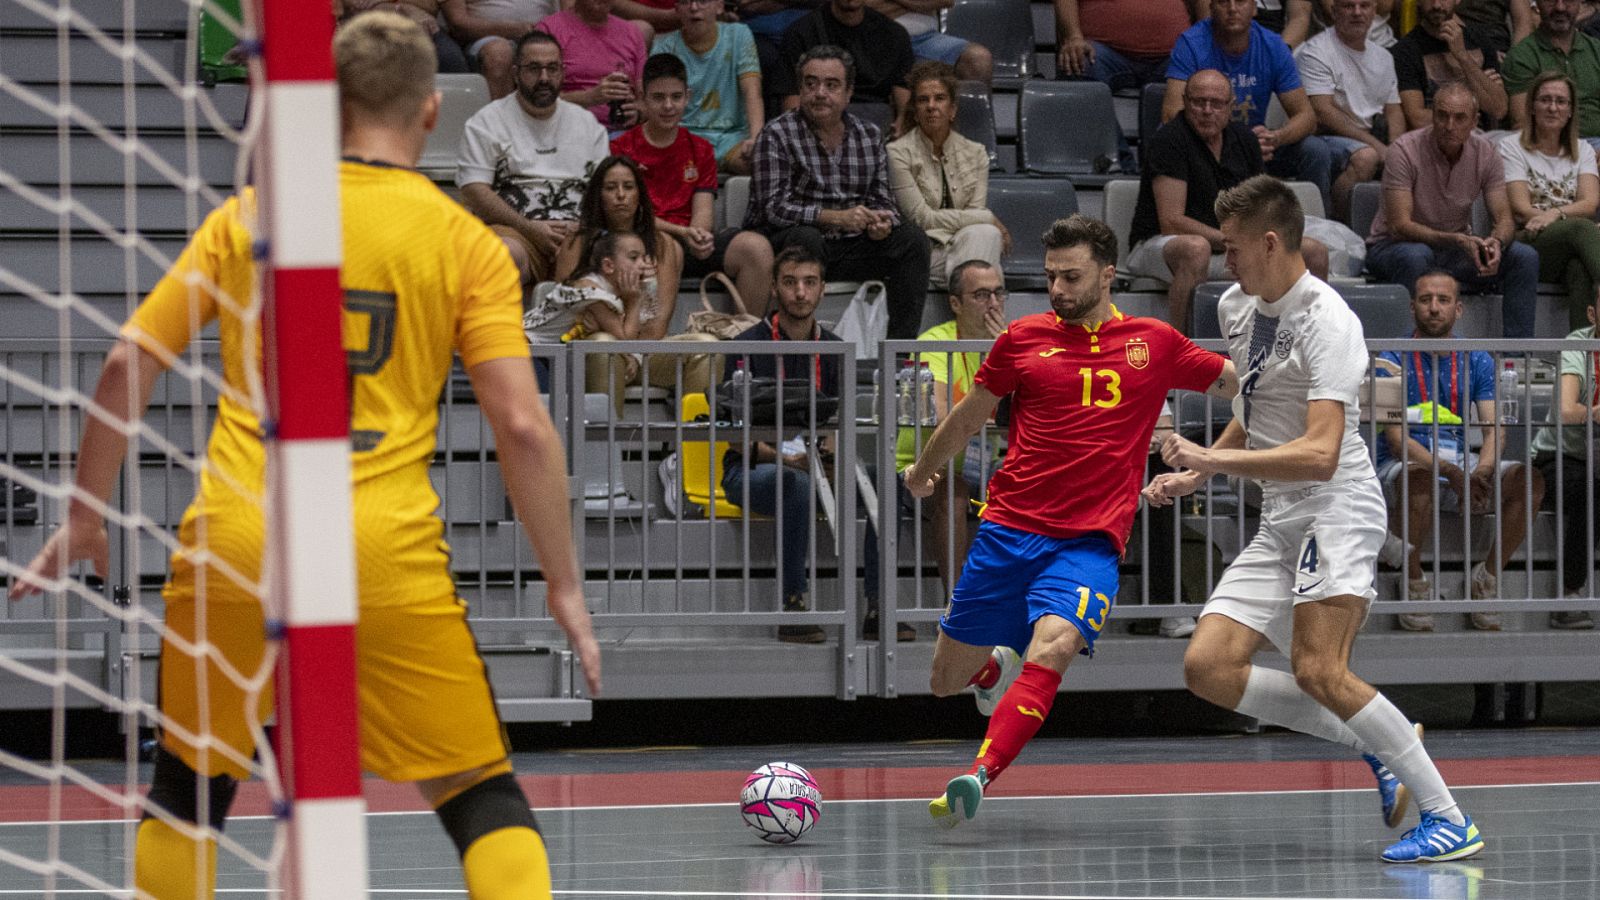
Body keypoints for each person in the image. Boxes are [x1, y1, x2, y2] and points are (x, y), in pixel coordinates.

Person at [6, 12, 602, 897]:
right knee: (477, 791)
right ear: (432, 111)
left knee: (187, 790)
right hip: (385, 548)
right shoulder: (463, 241)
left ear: (324, 106)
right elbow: (522, 425)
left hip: (239, 536)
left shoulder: (253, 216)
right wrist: (563, 584)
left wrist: (86, 518)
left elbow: (128, 358)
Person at [1144, 174, 1484, 864]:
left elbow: (1323, 453)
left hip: (1337, 506)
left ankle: (1451, 817)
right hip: (1281, 514)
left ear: (1271, 243)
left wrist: (1210, 463)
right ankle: (1381, 737)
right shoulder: (1239, 305)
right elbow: (1259, 405)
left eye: (1233, 247)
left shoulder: (1328, 321)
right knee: (1208, 666)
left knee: (1318, 669)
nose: (1223, 259)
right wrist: (1199, 466)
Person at [903, 215, 1238, 827]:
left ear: (1108, 275)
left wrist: (1312, 378)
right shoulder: (1023, 338)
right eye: (1051, 275)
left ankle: (977, 774)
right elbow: (972, 414)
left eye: (1071, 276)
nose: (1056, 289)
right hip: (1008, 530)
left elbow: (1238, 384)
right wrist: (924, 471)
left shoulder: (1154, 341)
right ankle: (988, 667)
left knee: (1053, 648)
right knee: (943, 682)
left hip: (1089, 543)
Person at [720, 247, 907, 642]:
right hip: (750, 470)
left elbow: (836, 428)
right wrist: (791, 461)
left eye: (809, 283)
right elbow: (734, 437)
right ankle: (793, 604)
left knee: (887, 481)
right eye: (789, 282)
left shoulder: (837, 348)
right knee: (798, 485)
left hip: (814, 466)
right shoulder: (745, 345)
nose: (800, 292)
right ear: (774, 288)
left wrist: (826, 459)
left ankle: (878, 606)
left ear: (823, 290)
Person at [1376, 271, 1546, 631]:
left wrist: (1482, 471)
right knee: (1418, 476)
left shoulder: (1478, 358)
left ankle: (1486, 577)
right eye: (1425, 300)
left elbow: (1493, 428)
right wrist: (1453, 474)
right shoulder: (1388, 357)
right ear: (1412, 308)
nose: (1434, 308)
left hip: (1461, 460)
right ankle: (1413, 580)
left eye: (1443, 300)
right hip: (1403, 462)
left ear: (1459, 308)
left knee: (1528, 480)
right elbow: (1395, 438)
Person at [746, 46, 933, 339]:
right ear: (801, 89)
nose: (820, 93)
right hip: (793, 242)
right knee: (806, 237)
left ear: (848, 93)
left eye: (831, 85)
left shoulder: (869, 135)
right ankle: (804, 346)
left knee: (912, 240)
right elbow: (774, 208)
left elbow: (884, 201)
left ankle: (899, 355)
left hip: (852, 244)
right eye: (811, 83)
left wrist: (880, 224)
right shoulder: (777, 134)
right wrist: (835, 218)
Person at [1131, 69, 1329, 331]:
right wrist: (1233, 241)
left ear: (1230, 106)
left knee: (1313, 251)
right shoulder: (1169, 140)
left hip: (1232, 244)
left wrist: (1251, 241)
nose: (1207, 110)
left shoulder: (1245, 139)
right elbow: (1172, 222)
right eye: (1198, 102)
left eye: (1216, 103)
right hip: (1162, 245)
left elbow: (1261, 206)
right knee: (1195, 249)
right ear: (1185, 102)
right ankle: (1180, 347)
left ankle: (1307, 338)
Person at [1365, 82, 1539, 338]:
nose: (1449, 125)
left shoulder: (1486, 153)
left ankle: (1516, 357)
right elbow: (1399, 225)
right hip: (1393, 247)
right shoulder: (1404, 150)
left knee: (1524, 256)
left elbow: (1504, 217)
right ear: (1432, 115)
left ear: (1474, 121)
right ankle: (1410, 352)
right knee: (1417, 255)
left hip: (1453, 248)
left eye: (1460, 118)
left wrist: (1496, 243)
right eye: (1442, 116)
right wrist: (1456, 239)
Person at [551, 155, 722, 414]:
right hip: (591, 352)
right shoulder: (577, 242)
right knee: (602, 344)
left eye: (628, 187)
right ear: (598, 195)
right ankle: (603, 452)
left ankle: (693, 451)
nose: (621, 195)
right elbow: (571, 312)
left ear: (640, 194)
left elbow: (657, 325)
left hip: (646, 351)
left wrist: (631, 352)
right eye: (611, 188)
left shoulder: (663, 244)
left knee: (706, 347)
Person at [612, 53, 775, 311]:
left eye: (676, 97)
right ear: (642, 97)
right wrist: (682, 234)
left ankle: (744, 344)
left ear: (687, 96)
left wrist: (699, 236)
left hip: (686, 240)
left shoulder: (700, 149)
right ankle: (653, 343)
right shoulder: (621, 148)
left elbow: (703, 211)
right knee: (667, 247)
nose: (668, 106)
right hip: (642, 242)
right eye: (658, 97)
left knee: (756, 249)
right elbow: (628, 216)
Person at [456, 30, 610, 286]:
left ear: (562, 72)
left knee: (645, 250)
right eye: (533, 69)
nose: (544, 78)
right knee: (501, 254)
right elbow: (474, 190)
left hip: (578, 233)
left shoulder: (586, 123)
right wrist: (529, 227)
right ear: (516, 73)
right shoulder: (487, 121)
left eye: (552, 68)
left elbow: (604, 188)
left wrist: (581, 229)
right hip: (515, 232)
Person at [893, 260, 1008, 599]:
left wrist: (1005, 347)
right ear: (955, 303)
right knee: (954, 491)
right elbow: (944, 416)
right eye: (981, 294)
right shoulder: (934, 342)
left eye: (998, 293)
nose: (993, 303)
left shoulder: (1010, 342)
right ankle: (957, 603)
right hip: (925, 467)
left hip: (991, 466)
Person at [1164, 0, 1337, 213]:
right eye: (1223, 2)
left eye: (1241, 1)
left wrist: (1276, 138)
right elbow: (1171, 114)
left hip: (1258, 146)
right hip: (1206, 143)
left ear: (1255, 8)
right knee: (1171, 138)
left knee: (1315, 150)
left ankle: (1313, 224)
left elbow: (1306, 117)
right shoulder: (1191, 43)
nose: (1232, 8)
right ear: (1211, 8)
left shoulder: (1272, 45)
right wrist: (1238, 143)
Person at [887, 61, 1009, 289]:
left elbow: (973, 217)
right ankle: (983, 316)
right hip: (925, 254)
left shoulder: (976, 153)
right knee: (988, 240)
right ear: (915, 109)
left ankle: (969, 304)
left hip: (965, 244)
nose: (931, 106)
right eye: (923, 100)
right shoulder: (897, 154)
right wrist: (987, 217)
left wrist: (982, 218)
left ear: (952, 109)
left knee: (984, 235)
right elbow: (922, 220)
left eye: (939, 98)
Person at [1500, 71, 1600, 332]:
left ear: (1570, 110)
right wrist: (1563, 218)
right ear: (1532, 106)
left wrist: (1553, 214)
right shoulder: (1511, 147)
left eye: (1561, 101)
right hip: (1528, 244)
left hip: (1570, 246)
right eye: (1545, 100)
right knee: (1581, 228)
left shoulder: (1584, 150)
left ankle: (1581, 361)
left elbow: (1590, 204)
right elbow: (1521, 210)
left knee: (1580, 270)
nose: (1553, 107)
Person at [1293, 0, 1405, 221]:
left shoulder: (1384, 57)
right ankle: (1337, 225)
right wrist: (1379, 148)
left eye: (1364, 6)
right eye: (1348, 6)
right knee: (1366, 157)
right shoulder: (1316, 51)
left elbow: (1394, 112)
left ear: (1374, 12)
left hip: (1369, 138)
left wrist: (1397, 150)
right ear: (1334, 11)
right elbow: (1322, 111)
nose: (1357, 13)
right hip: (1324, 137)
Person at [1531, 287, 1600, 629]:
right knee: (1593, 489)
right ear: (1592, 314)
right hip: (1558, 456)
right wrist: (1598, 413)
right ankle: (1569, 595)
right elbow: (1567, 411)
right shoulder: (1578, 344)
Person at [651, 0, 765, 173]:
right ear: (676, 9)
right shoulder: (664, 47)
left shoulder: (739, 35)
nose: (694, 8)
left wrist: (757, 137)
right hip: (682, 139)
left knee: (761, 164)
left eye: (702, 1)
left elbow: (752, 91)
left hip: (732, 139)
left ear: (719, 6)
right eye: (685, 2)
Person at [774, 0, 916, 119]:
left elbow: (903, 89)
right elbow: (792, 99)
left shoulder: (894, 34)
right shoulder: (800, 33)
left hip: (877, 119)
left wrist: (903, 124)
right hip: (820, 118)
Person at [1391, 0, 1508, 132]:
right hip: (1435, 139)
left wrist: (1462, 56)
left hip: (1483, 138)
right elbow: (1417, 118)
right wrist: (1470, 110)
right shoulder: (1405, 51)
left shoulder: (1479, 38)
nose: (1436, 5)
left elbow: (1499, 108)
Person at [1504, 0, 1600, 151]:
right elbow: (1521, 123)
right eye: (1551, 0)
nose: (1560, 7)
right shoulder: (1522, 56)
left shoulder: (1596, 50)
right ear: (1537, 4)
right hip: (1550, 148)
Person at [537, 0, 650, 128]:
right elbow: (537, 99)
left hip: (623, 133)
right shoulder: (549, 29)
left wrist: (639, 112)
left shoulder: (632, 32)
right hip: (568, 129)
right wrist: (589, 97)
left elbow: (648, 100)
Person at [1054, 0, 1194, 91]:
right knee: (1078, 62)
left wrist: (1205, 45)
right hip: (1103, 53)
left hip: (1173, 56)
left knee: (1202, 71)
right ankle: (1110, 138)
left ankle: (1164, 138)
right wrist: (1073, 36)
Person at [440, 0, 558, 98]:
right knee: (499, 53)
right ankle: (497, 124)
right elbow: (458, 23)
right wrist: (514, 29)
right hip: (483, 38)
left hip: (544, 35)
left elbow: (571, 11)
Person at [864, 0, 993, 83]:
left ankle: (967, 125)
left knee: (979, 59)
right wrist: (918, 5)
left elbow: (945, 1)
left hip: (927, 40)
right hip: (875, 40)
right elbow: (859, 6)